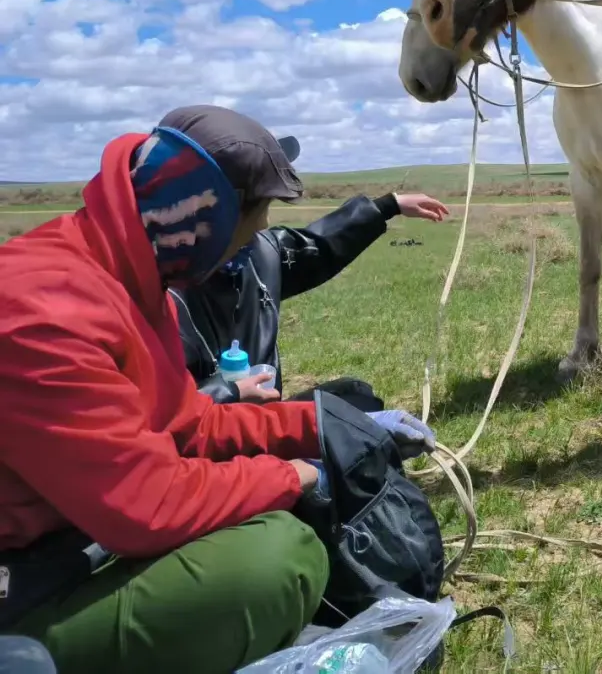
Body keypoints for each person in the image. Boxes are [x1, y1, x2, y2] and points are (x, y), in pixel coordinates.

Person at [0, 105, 436, 674]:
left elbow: (191, 423)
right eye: (244, 233)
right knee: (277, 558)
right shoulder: (41, 311)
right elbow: (146, 505)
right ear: (204, 217)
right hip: (22, 588)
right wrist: (296, 474)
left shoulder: (126, 276)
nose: (244, 251)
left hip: (73, 543)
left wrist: (324, 426)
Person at [169, 125, 449, 409]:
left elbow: (318, 244)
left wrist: (390, 206)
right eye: (258, 209)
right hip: (208, 440)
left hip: (265, 420)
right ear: (222, 210)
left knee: (357, 399)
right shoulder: (163, 296)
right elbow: (157, 414)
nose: (264, 224)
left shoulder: (260, 254)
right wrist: (229, 394)